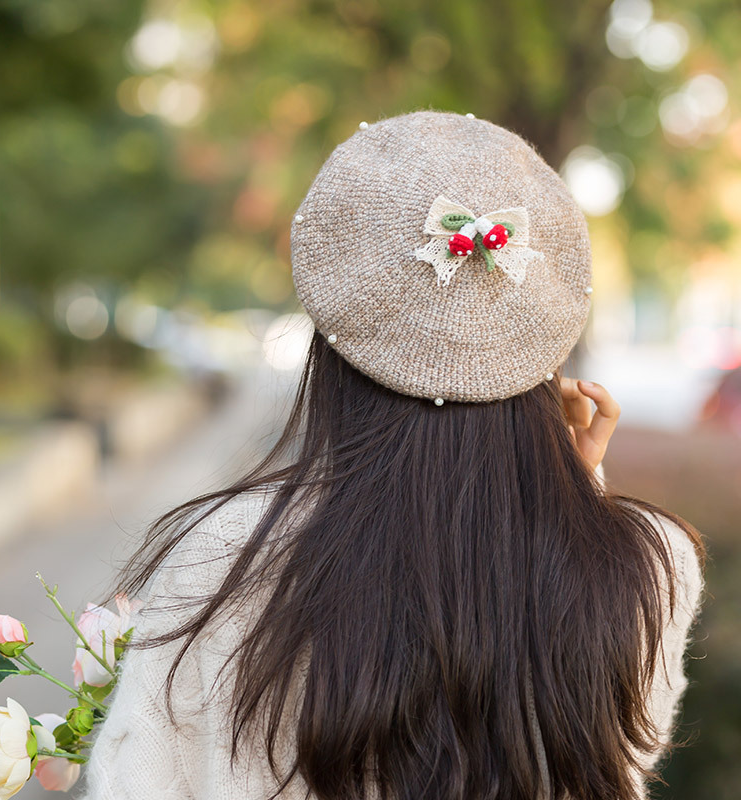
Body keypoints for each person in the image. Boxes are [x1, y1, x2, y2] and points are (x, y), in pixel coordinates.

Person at [80, 111, 705, 800]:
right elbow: (619, 769)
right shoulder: (654, 563)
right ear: (539, 345)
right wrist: (575, 489)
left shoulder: (223, 553)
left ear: (332, 326)